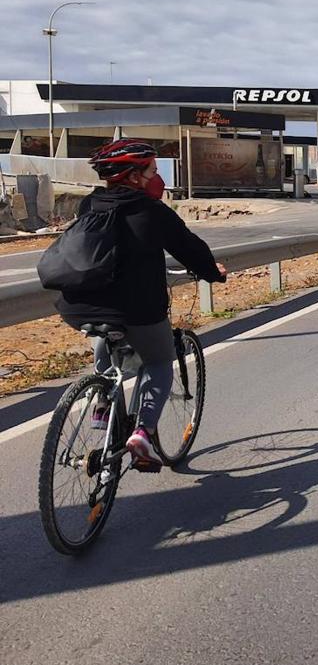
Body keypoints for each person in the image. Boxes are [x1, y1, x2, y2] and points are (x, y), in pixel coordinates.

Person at [54, 140, 227, 464]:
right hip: (137, 308)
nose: (157, 176)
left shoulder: (89, 204)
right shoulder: (151, 211)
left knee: (106, 336)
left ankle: (103, 403)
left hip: (79, 305)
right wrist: (211, 272)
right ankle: (143, 434)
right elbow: (188, 247)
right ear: (134, 176)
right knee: (159, 361)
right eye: (152, 170)